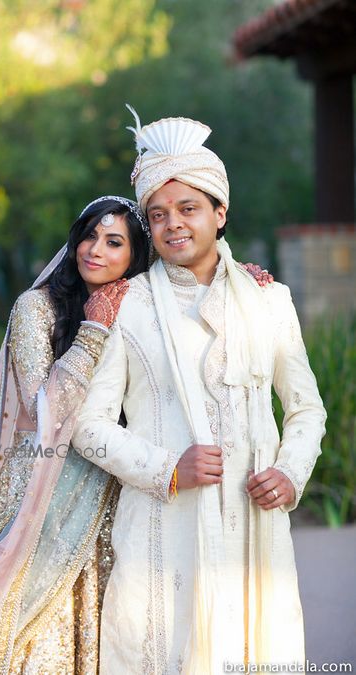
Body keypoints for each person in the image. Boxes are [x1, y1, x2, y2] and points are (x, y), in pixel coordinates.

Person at [0, 186, 270, 674]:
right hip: (40, 498)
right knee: (35, 634)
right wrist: (93, 330)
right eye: (90, 236)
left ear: (135, 255)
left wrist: (239, 281)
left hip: (112, 493)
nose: (96, 250)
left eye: (114, 242)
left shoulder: (143, 308)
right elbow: (45, 412)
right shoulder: (38, 308)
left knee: (100, 632)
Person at [71, 110, 327, 674]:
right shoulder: (127, 303)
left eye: (188, 209)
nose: (173, 225)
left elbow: (306, 408)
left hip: (254, 526)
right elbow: (87, 426)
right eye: (158, 215)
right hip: (164, 533)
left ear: (220, 212)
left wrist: (290, 471)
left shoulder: (269, 299)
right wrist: (166, 468)